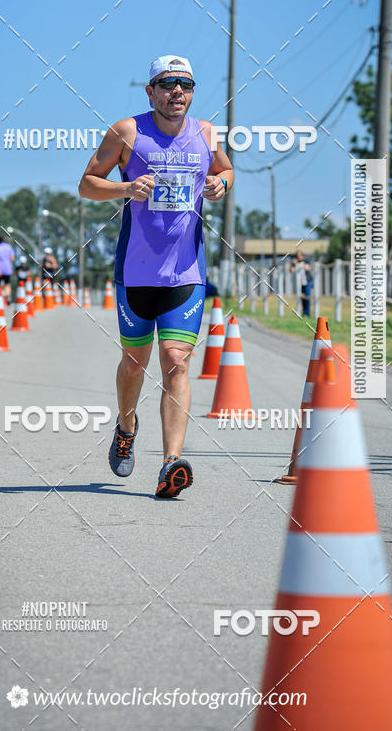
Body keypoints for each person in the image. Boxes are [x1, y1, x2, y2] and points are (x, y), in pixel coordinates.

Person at [79, 54, 234, 498]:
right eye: (167, 85)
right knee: (134, 362)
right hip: (136, 272)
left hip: (186, 272)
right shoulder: (127, 132)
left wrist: (222, 182)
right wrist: (126, 187)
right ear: (150, 91)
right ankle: (126, 425)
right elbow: (87, 183)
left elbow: (225, 168)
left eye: (185, 85)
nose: (177, 93)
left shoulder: (205, 133)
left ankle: (170, 464)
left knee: (177, 361)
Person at [0, 234, 15, 304]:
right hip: (7, 268)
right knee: (7, 284)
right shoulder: (8, 247)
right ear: (3, 239)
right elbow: (12, 259)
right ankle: (8, 297)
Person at [290, 250, 313, 317]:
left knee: (307, 297)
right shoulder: (295, 263)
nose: (299, 257)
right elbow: (291, 271)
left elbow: (308, 268)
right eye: (297, 256)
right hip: (300, 283)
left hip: (308, 281)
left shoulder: (306, 261)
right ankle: (304, 312)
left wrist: (299, 265)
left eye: (300, 255)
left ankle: (307, 313)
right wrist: (293, 264)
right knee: (302, 298)